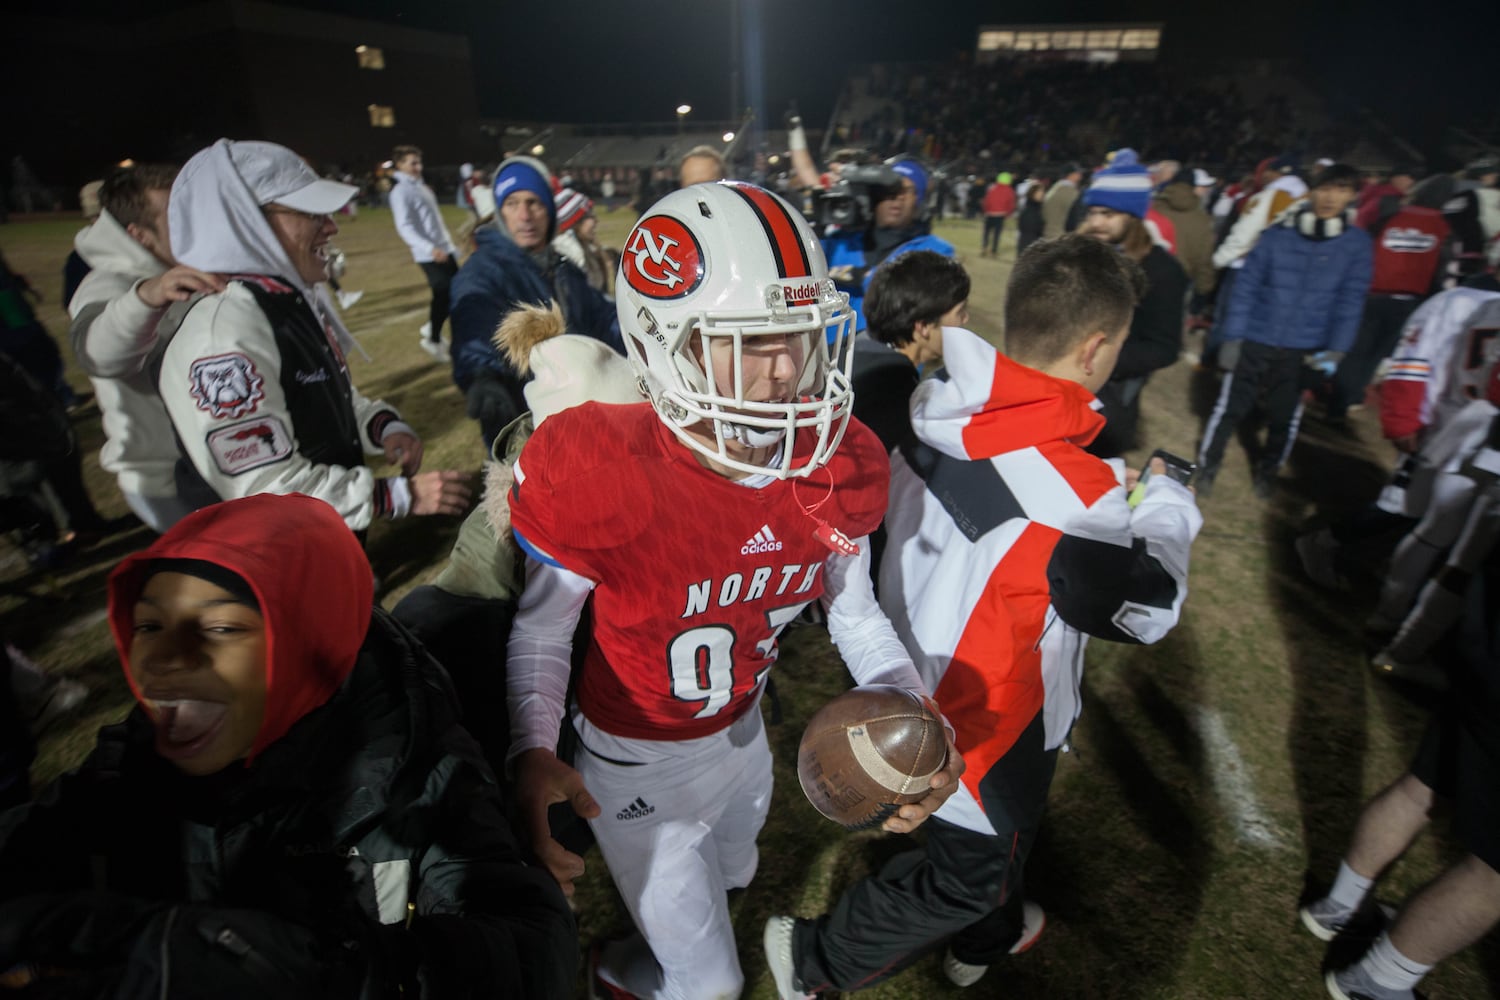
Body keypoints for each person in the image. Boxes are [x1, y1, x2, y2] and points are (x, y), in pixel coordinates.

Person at [504, 181, 962, 1000]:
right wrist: (533, 748)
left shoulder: (837, 461)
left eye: (799, 331)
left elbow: (854, 614)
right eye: (751, 341)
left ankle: (626, 967)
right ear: (663, 344)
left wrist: (908, 705)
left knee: (734, 875)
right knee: (712, 986)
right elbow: (542, 632)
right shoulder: (600, 469)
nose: (788, 369)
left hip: (744, 731)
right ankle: (627, 970)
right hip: (635, 754)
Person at [765, 234, 1202, 998]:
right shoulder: (1082, 494)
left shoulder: (935, 399)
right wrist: (1168, 499)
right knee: (971, 876)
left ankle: (989, 935)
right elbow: (1147, 607)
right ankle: (814, 960)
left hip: (899, 660)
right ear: (1098, 347)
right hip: (985, 725)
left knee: (982, 862)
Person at [0, 493, 578, 997]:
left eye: (221, 627)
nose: (163, 659)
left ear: (309, 640)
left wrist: (327, 976)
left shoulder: (416, 773)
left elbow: (530, 947)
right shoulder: (134, 761)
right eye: (150, 625)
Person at [159, 138, 472, 531]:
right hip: (271, 562)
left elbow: (316, 398)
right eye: (310, 212)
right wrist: (397, 495)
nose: (331, 225)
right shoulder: (222, 335)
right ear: (245, 220)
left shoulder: (279, 301)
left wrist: (380, 425)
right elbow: (264, 486)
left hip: (309, 545)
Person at [1301, 540, 1500, 1000]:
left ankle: (1340, 907)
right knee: (1492, 871)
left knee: (1424, 787)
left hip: (1486, 652)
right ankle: (1377, 982)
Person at [1197, 164, 1373, 498]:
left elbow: (1351, 302)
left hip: (1304, 349)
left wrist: (1336, 350)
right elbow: (1246, 287)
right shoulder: (1278, 234)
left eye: (1341, 189)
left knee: (1284, 417)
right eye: (1325, 188)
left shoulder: (1357, 245)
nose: (1330, 197)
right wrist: (1233, 336)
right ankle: (1208, 467)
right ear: (1312, 191)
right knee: (1229, 409)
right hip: (1257, 338)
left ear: (1352, 196)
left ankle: (1268, 472)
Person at [69, 163, 224, 532]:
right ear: (139, 235)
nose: (196, 222)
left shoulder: (193, 262)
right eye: (178, 216)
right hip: (167, 479)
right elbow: (97, 355)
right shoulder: (106, 285)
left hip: (218, 460)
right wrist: (146, 299)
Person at [449, 154, 622, 450]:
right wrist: (483, 375)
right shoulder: (483, 270)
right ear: (500, 212)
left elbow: (604, 319)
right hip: (527, 427)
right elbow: (473, 320)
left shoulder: (563, 268)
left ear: (550, 211)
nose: (524, 215)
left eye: (534, 203)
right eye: (512, 203)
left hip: (584, 418)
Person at [1079, 149, 1191, 457]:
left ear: (1134, 216)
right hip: (1058, 384)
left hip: (1111, 398)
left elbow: (1164, 347)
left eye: (1108, 214)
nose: (1097, 222)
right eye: (1093, 212)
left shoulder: (1163, 271)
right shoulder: (1080, 255)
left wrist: (1100, 360)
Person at [1326, 178, 1452, 424]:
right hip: (1407, 299)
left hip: (1371, 291)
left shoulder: (1391, 214)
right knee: (1378, 352)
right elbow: (1441, 267)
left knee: (1356, 349)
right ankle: (1351, 397)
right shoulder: (1444, 226)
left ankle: (1339, 402)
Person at [821, 158, 956, 333]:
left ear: (919, 200)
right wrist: (816, 225)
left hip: (890, 356)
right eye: (889, 189)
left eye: (906, 190)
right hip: (828, 354)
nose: (897, 196)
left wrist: (865, 278)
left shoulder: (937, 251)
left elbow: (921, 302)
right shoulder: (840, 241)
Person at [388, 144, 459, 360]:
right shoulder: (400, 191)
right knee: (444, 294)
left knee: (456, 293)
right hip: (429, 254)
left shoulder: (422, 187)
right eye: (412, 163)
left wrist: (448, 245)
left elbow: (435, 221)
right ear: (400, 165)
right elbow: (404, 226)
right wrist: (430, 248)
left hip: (445, 250)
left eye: (419, 162)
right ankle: (433, 340)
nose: (418, 167)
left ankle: (431, 329)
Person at [551, 188, 610, 294]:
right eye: (590, 216)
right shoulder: (571, 252)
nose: (596, 220)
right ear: (574, 221)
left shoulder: (586, 248)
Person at [1041, 163, 1082, 240]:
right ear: (1071, 175)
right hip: (1061, 237)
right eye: (1078, 173)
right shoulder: (1070, 192)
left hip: (1047, 234)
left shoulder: (1054, 189)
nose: (1080, 176)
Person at [980, 172, 1016, 258]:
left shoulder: (992, 188)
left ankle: (984, 248)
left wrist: (986, 210)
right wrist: (1008, 213)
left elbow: (986, 200)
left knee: (986, 232)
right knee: (997, 234)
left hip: (989, 214)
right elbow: (1011, 204)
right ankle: (994, 251)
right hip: (1000, 215)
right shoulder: (1009, 190)